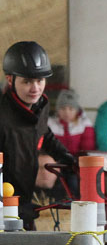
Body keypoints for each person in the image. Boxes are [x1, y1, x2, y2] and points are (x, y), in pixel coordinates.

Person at [0, 41, 76, 229]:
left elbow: (44, 133)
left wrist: (66, 157)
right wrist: (10, 205)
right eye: (27, 81)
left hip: (23, 199)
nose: (35, 88)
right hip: (5, 204)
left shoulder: (40, 106)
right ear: (10, 80)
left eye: (40, 80)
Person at [48, 89, 96, 156]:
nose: (67, 112)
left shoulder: (85, 125)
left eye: (71, 109)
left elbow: (88, 151)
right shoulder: (50, 124)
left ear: (76, 110)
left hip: (78, 163)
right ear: (57, 110)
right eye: (62, 108)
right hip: (54, 162)